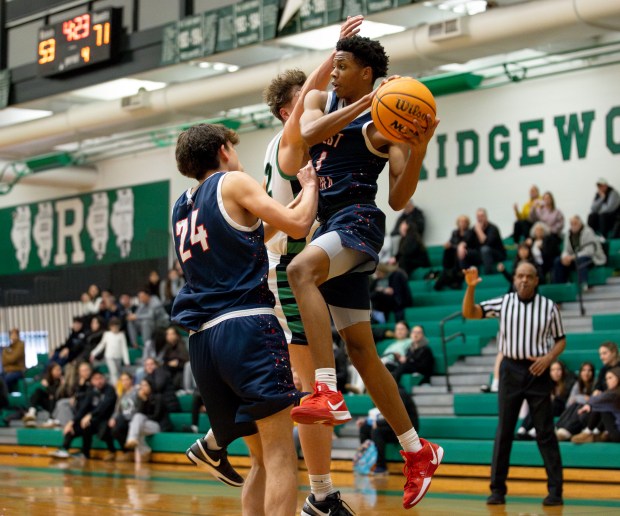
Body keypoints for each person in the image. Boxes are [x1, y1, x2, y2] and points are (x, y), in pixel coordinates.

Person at [287, 34, 443, 510]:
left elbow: (398, 198)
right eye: (334, 64)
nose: (333, 72)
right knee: (362, 351)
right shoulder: (318, 100)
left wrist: (417, 148)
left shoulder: (384, 125)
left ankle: (327, 390)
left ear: (366, 75)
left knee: (299, 272)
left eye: (343, 65)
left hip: (356, 221)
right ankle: (418, 451)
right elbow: (309, 135)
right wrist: (368, 102)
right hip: (326, 225)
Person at [171, 123, 318, 515]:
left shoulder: (181, 206)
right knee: (281, 456)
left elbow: (250, 234)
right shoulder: (233, 181)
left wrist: (292, 207)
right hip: (246, 328)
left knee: (260, 462)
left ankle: (211, 446)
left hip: (203, 341)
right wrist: (312, 188)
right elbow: (300, 225)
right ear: (223, 150)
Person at [262, 16, 364, 514]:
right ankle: (321, 495)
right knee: (310, 390)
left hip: (287, 264)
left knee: (315, 388)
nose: (321, 99)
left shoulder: (295, 145)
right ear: (289, 109)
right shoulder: (289, 144)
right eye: (310, 96)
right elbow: (310, 101)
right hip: (283, 265)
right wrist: (338, 49)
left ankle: (323, 493)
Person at [462, 262, 565, 507]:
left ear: (537, 280)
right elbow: (470, 313)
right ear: (515, 278)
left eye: (529, 276)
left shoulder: (549, 307)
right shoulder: (504, 302)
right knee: (504, 431)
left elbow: (561, 340)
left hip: (537, 370)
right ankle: (497, 490)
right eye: (520, 276)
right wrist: (470, 289)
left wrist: (549, 358)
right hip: (510, 369)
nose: (524, 280)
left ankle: (555, 491)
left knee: (545, 432)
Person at [51, 370, 117, 460]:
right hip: (92, 421)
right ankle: (64, 449)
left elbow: (104, 406)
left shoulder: (110, 390)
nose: (99, 381)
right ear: (92, 381)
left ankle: (87, 453)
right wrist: (72, 422)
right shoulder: (91, 391)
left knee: (87, 425)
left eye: (100, 378)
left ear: (104, 379)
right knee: (72, 427)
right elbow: (83, 408)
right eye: (96, 379)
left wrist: (90, 415)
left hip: (104, 419)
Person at [357, 387, 419, 476]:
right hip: (393, 426)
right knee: (365, 428)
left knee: (377, 431)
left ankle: (381, 466)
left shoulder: (399, 394)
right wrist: (366, 421)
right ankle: (367, 461)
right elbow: (381, 414)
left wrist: (378, 423)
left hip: (406, 430)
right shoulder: (385, 393)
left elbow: (397, 416)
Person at [570, 341, 619, 443]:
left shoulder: (614, 392)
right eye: (600, 354)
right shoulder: (603, 369)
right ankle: (593, 432)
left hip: (610, 404)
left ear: (614, 352)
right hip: (605, 402)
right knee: (583, 411)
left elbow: (602, 396)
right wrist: (590, 404)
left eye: (604, 353)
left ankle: (591, 432)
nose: (601, 357)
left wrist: (592, 402)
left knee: (603, 406)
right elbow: (597, 390)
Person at [515, 360, 572, 440]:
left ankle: (535, 429)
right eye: (553, 370)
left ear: (563, 371)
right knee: (537, 404)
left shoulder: (568, 384)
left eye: (558, 369)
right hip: (547, 408)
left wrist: (555, 398)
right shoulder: (547, 384)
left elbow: (568, 402)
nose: (556, 372)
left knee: (548, 403)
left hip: (561, 409)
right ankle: (523, 429)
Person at [552, 215, 606, 290]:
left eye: (575, 223)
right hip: (574, 258)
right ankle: (560, 286)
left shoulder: (588, 232)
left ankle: (583, 285)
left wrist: (573, 257)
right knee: (558, 261)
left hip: (592, 259)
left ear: (580, 223)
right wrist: (565, 257)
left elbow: (589, 251)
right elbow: (566, 250)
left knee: (581, 259)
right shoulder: (568, 234)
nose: (573, 226)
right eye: (572, 224)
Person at [124, 378, 172, 462]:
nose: (143, 387)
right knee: (134, 423)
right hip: (146, 425)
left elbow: (157, 416)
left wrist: (146, 403)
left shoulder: (159, 397)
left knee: (136, 422)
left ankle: (135, 441)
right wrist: (143, 400)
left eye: (145, 385)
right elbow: (138, 414)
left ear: (151, 386)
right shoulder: (142, 398)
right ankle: (139, 445)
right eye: (141, 385)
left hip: (158, 425)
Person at [435, 214, 479, 290]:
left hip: (469, 253)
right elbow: (452, 242)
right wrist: (448, 245)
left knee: (460, 251)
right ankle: (448, 270)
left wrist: (459, 246)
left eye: (464, 222)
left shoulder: (471, 232)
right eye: (460, 222)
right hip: (456, 254)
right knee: (448, 250)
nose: (462, 223)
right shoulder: (455, 232)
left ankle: (457, 275)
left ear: (467, 223)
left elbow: (469, 244)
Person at [555, 361, 595, 441]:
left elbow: (592, 401)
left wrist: (577, 398)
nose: (586, 373)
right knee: (574, 405)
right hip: (575, 411)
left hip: (589, 413)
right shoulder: (577, 384)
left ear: (593, 373)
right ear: (580, 372)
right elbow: (568, 404)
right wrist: (583, 398)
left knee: (578, 405)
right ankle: (559, 428)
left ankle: (568, 430)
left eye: (589, 370)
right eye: (584, 370)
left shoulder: (596, 384)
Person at [126, 288, 170, 360]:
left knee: (146, 322)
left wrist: (136, 316)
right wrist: (133, 316)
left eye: (142, 297)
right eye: (139, 297)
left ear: (147, 295)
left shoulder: (155, 301)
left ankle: (147, 347)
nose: (140, 299)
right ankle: (134, 343)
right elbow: (137, 314)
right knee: (130, 321)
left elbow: (151, 316)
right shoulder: (142, 303)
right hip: (151, 324)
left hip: (161, 324)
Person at [90, 317, 130, 387]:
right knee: (113, 372)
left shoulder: (121, 335)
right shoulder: (107, 334)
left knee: (118, 372)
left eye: (117, 327)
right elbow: (101, 345)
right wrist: (93, 353)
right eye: (113, 327)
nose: (115, 328)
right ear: (110, 327)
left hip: (118, 357)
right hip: (109, 356)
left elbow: (124, 348)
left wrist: (127, 361)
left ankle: (118, 386)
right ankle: (115, 387)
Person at [472, 208, 506, 274]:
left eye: (482, 216)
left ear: (486, 217)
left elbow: (487, 243)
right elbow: (468, 241)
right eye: (478, 217)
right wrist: (462, 245)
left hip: (497, 253)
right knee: (466, 252)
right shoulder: (474, 228)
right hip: (482, 253)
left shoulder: (493, 228)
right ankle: (462, 276)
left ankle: (488, 273)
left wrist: (479, 230)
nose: (480, 218)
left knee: (485, 249)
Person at [160, 326, 189, 390]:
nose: (169, 336)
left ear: (177, 335)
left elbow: (187, 361)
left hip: (181, 372)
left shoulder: (182, 345)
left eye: (172, 334)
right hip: (169, 371)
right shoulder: (166, 347)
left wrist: (178, 363)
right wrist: (169, 363)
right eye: (168, 334)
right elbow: (163, 362)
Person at [1, 328, 25, 394]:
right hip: (8, 371)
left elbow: (13, 358)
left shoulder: (20, 345)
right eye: (11, 334)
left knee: (5, 380)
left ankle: (6, 398)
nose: (13, 336)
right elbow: (3, 361)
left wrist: (6, 356)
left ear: (18, 335)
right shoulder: (10, 346)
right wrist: (7, 357)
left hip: (18, 371)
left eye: (14, 334)